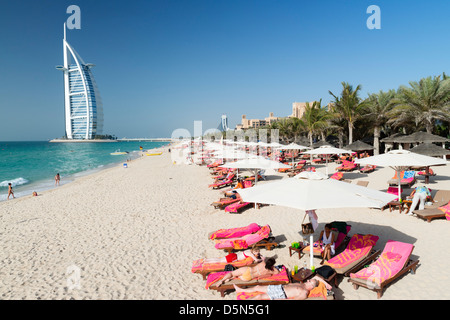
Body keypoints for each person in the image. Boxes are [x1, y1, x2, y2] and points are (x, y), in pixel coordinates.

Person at [233, 276, 332, 300]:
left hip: (281, 294)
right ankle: (240, 290)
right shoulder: (306, 284)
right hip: (279, 287)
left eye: (309, 281)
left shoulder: (304, 292)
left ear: (311, 286)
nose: (308, 280)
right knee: (258, 286)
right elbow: (316, 277)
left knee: (259, 296)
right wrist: (326, 284)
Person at [215, 257, 279, 286]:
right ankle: (231, 278)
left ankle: (222, 280)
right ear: (272, 265)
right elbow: (277, 272)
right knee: (238, 276)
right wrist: (272, 267)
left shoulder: (263, 263)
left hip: (248, 270)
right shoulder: (269, 271)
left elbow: (264, 258)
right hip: (247, 278)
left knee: (232, 273)